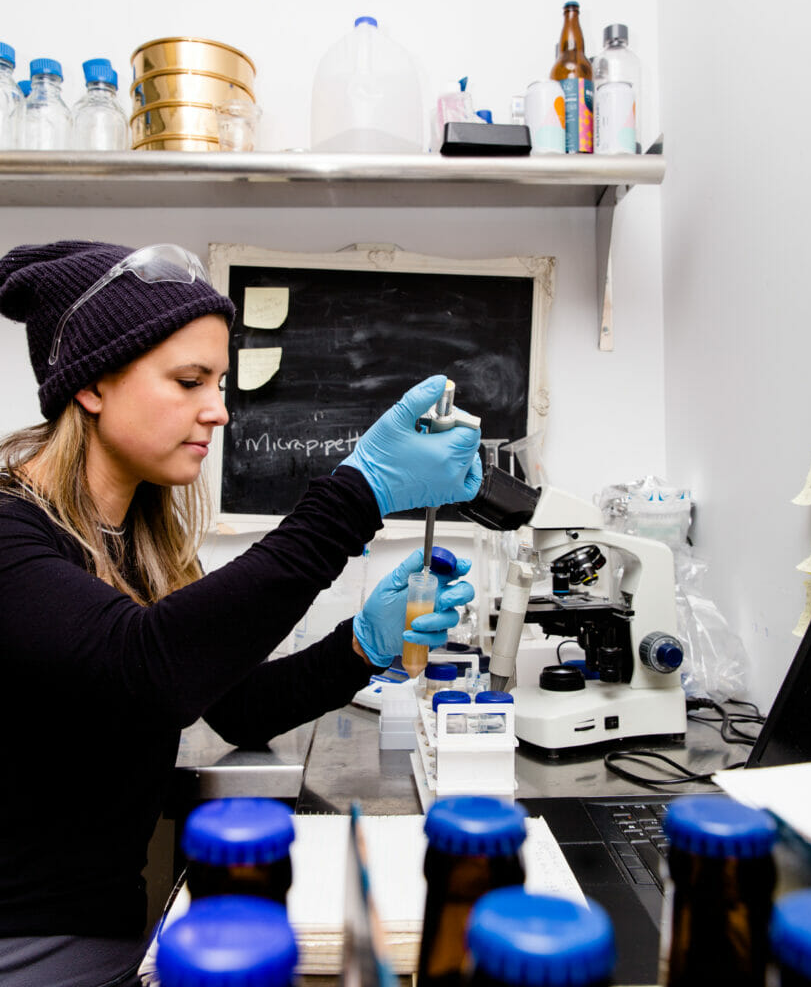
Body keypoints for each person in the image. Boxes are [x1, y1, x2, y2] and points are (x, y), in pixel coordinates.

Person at [0, 240, 482, 987]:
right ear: (92, 384)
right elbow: (149, 670)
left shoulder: (132, 543)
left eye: (219, 381)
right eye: (189, 380)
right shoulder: (10, 533)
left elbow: (224, 703)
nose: (219, 410)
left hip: (117, 930)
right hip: (30, 947)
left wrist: (358, 648)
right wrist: (359, 493)